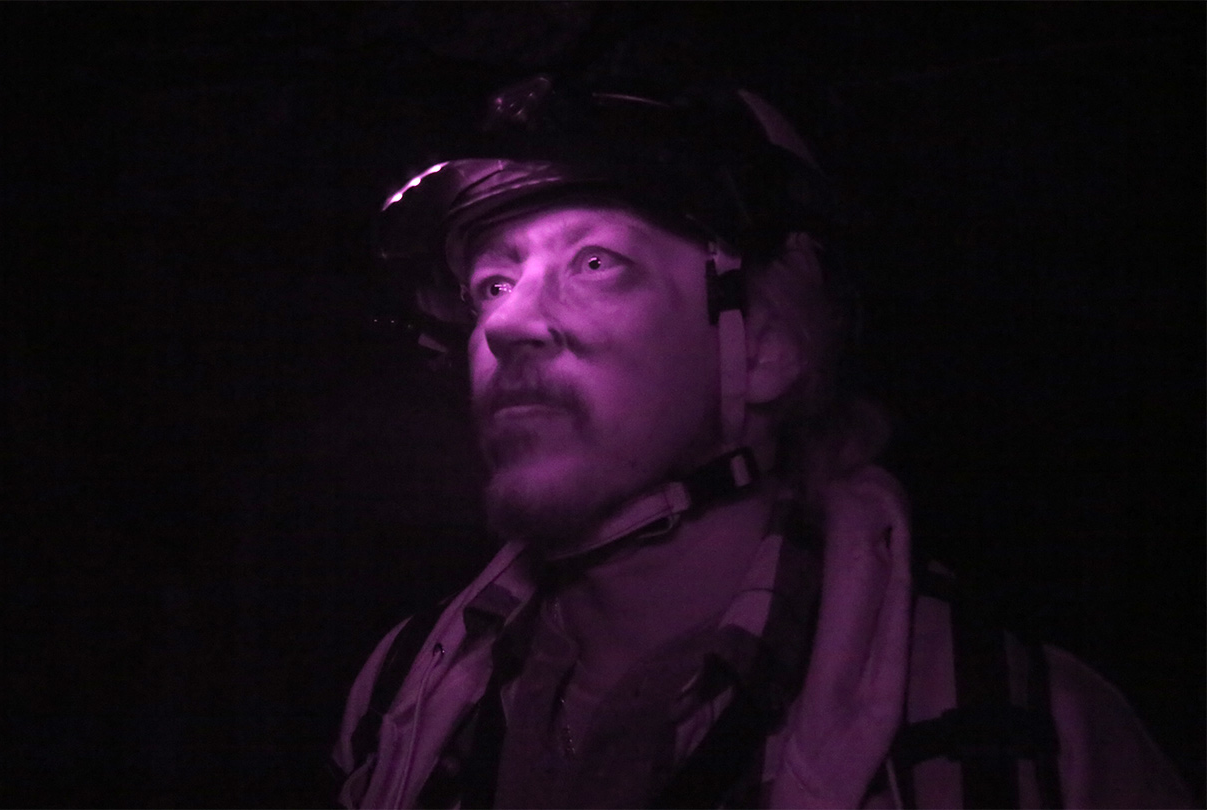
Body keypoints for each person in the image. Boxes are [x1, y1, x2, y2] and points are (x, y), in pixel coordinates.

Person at [331, 75, 1192, 809]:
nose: (507, 324)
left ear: (769, 344)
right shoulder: (400, 697)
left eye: (595, 263)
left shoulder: (1024, 740)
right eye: (492, 284)